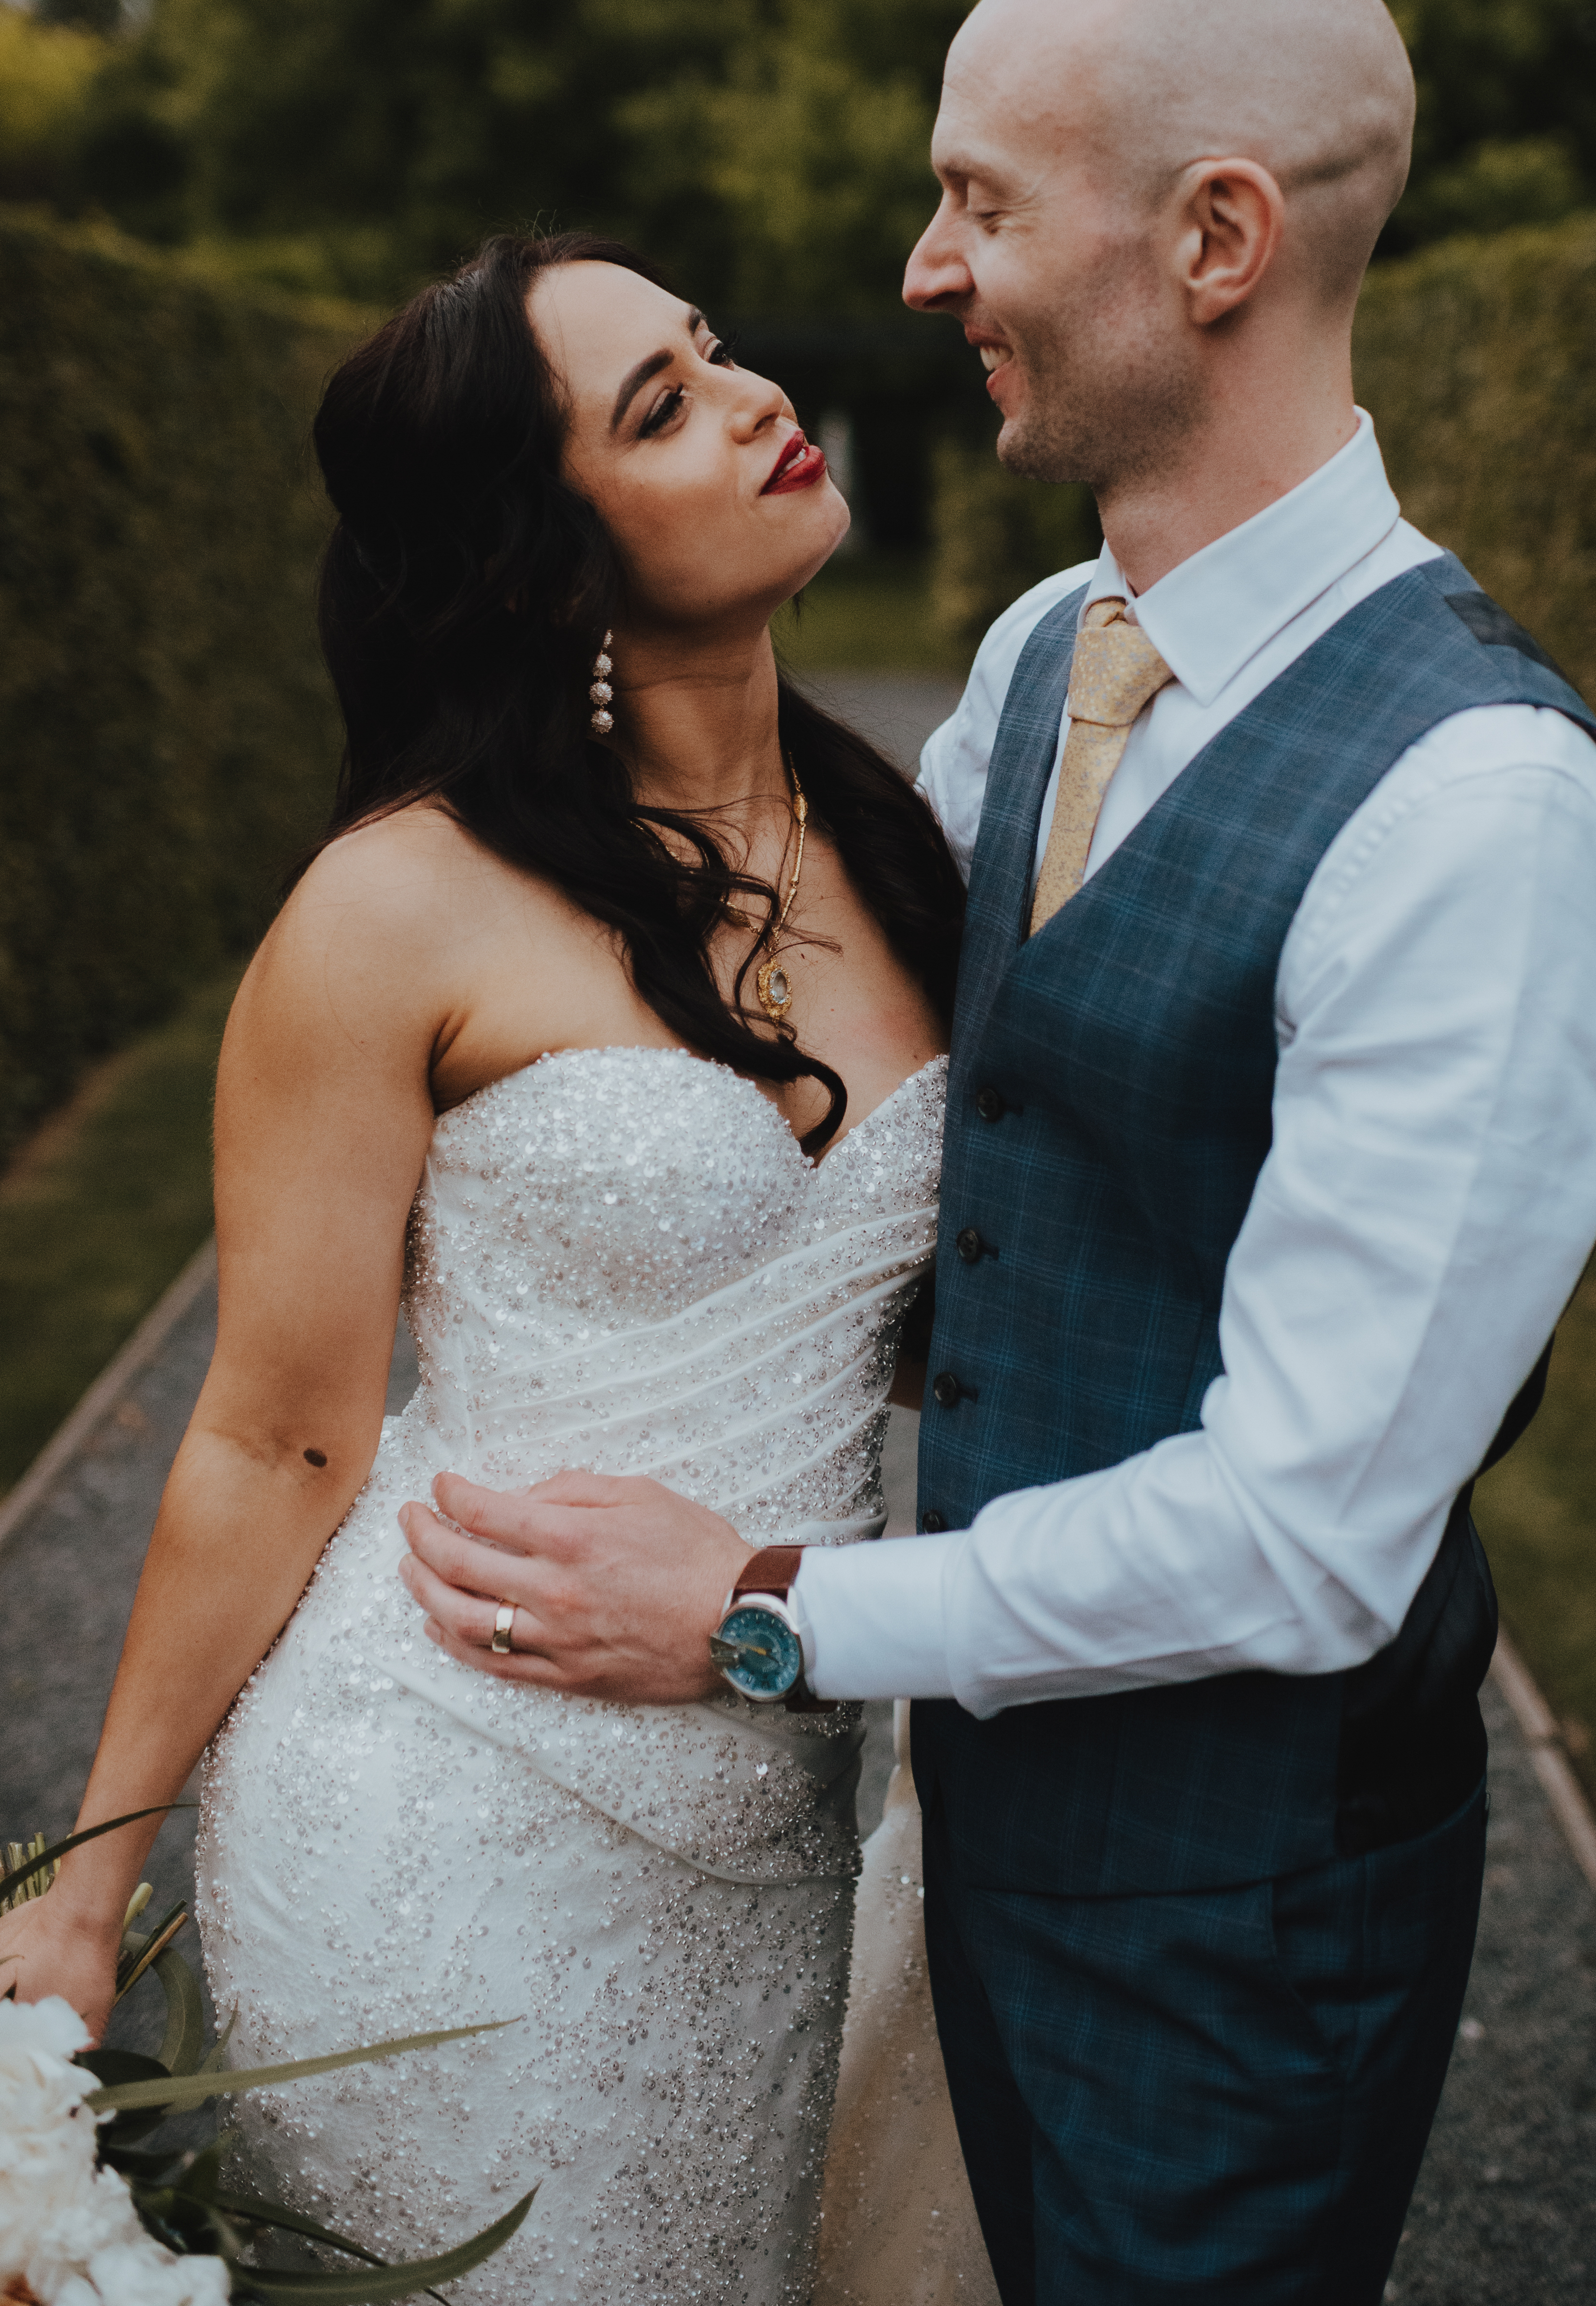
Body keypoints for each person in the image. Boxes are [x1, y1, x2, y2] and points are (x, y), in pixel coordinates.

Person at [401, 0, 1596, 2304]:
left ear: (1214, 240)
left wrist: (763, 1615)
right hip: (957, 1826)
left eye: (981, 201)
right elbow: (973, 1164)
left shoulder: (1481, 816)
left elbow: (1311, 1538)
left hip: (1233, 1926)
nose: (918, 270)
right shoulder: (1037, 654)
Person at [0, 233, 967, 2304]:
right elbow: (273, 1438)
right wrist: (86, 1897)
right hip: (435, 1810)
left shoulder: (911, 859)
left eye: (708, 354)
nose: (749, 399)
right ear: (541, 563)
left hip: (772, 1819)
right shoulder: (391, 912)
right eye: (661, 406)